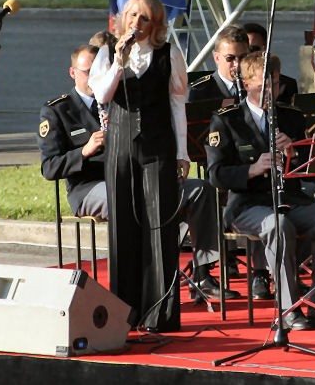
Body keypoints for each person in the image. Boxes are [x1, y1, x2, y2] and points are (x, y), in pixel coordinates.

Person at [40, 44, 233, 300]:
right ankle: (142, 282)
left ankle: (203, 272)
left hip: (140, 178)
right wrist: (84, 151)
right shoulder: (58, 110)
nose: (93, 78)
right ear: (73, 73)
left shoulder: (122, 99)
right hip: (91, 187)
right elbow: (50, 167)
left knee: (199, 190)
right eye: (86, 72)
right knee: (136, 202)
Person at [205, 52, 315, 330]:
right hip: (247, 204)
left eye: (274, 85)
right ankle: (289, 309)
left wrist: (294, 152)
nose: (269, 92)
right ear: (245, 83)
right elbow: (215, 175)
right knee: (278, 226)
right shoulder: (227, 120)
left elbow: (309, 169)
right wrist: (252, 169)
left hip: (289, 198)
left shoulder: (290, 117)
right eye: (262, 86)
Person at [88, 0, 189, 332]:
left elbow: (178, 105)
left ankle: (161, 313)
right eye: (132, 16)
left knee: (160, 226)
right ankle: (124, 311)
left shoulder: (169, 54)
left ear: (156, 23)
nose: (136, 23)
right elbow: (101, 96)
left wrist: (182, 153)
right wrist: (119, 61)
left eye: (144, 18)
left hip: (158, 145)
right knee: (124, 227)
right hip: (120, 145)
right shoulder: (107, 53)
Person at [189, 25, 249, 104]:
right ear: (217, 58)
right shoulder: (200, 91)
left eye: (243, 57)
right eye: (230, 58)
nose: (237, 64)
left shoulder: (257, 86)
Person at [242, 22, 298, 103]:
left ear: (265, 49)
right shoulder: (231, 83)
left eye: (253, 49)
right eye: (243, 51)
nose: (248, 54)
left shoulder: (287, 85)